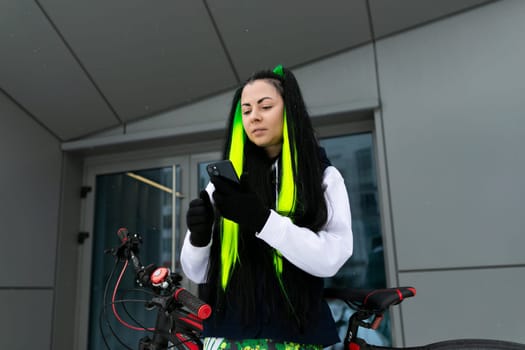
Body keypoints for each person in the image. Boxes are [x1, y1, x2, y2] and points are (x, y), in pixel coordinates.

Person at [181, 65, 353, 350]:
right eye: (246, 110)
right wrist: (199, 237)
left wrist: (263, 221)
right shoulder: (227, 183)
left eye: (265, 106)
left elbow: (332, 258)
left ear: (290, 110)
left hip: (296, 338)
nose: (254, 117)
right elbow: (196, 273)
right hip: (225, 337)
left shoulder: (322, 177)